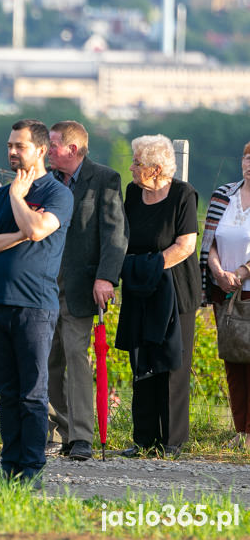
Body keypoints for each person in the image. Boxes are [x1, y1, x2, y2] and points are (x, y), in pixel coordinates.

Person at [0, 119, 73, 488]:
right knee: (9, 392)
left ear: (42, 150)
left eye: (21, 146)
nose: (12, 151)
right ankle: (9, 469)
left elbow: (37, 230)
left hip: (35, 306)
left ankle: (30, 471)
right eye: (10, 145)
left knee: (32, 393)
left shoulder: (56, 193)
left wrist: (18, 197)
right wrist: (16, 232)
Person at [45, 121, 128, 461]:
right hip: (43, 285)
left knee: (77, 358)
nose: (47, 151)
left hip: (82, 286)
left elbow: (115, 235)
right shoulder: (45, 182)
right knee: (48, 360)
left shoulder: (104, 179)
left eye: (52, 145)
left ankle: (81, 436)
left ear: (72, 149)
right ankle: (56, 430)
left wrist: (106, 278)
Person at [116, 135, 201, 458]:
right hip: (140, 289)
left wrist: (148, 267)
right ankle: (143, 438)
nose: (131, 167)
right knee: (142, 362)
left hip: (175, 290)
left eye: (137, 163)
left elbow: (185, 245)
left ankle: (172, 441)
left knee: (172, 363)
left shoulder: (183, 194)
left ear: (155, 168)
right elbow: (124, 235)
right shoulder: (133, 193)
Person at [200, 142, 250, 450]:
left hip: (247, 286)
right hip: (224, 291)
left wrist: (243, 272)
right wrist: (218, 271)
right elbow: (210, 239)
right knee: (234, 360)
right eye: (247, 157)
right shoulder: (224, 194)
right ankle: (239, 431)